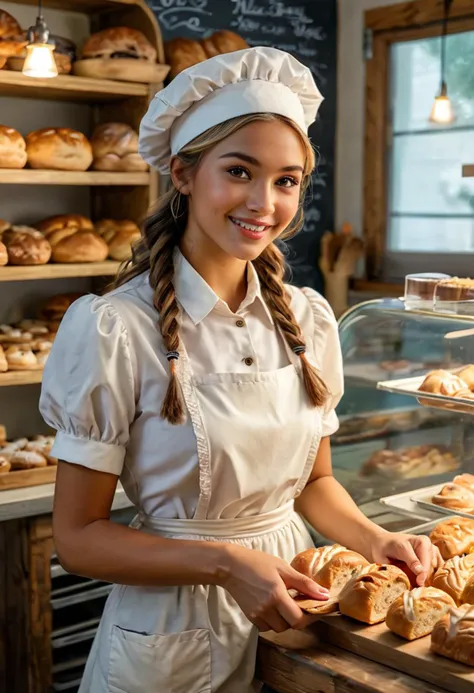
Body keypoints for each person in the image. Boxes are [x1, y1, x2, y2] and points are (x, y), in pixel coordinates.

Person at [39, 46, 441, 693]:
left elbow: (314, 484)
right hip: (170, 631)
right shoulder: (115, 326)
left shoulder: (307, 318)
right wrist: (225, 564)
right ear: (183, 174)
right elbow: (78, 538)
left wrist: (373, 538)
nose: (264, 202)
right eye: (239, 170)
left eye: (286, 180)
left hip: (298, 609)